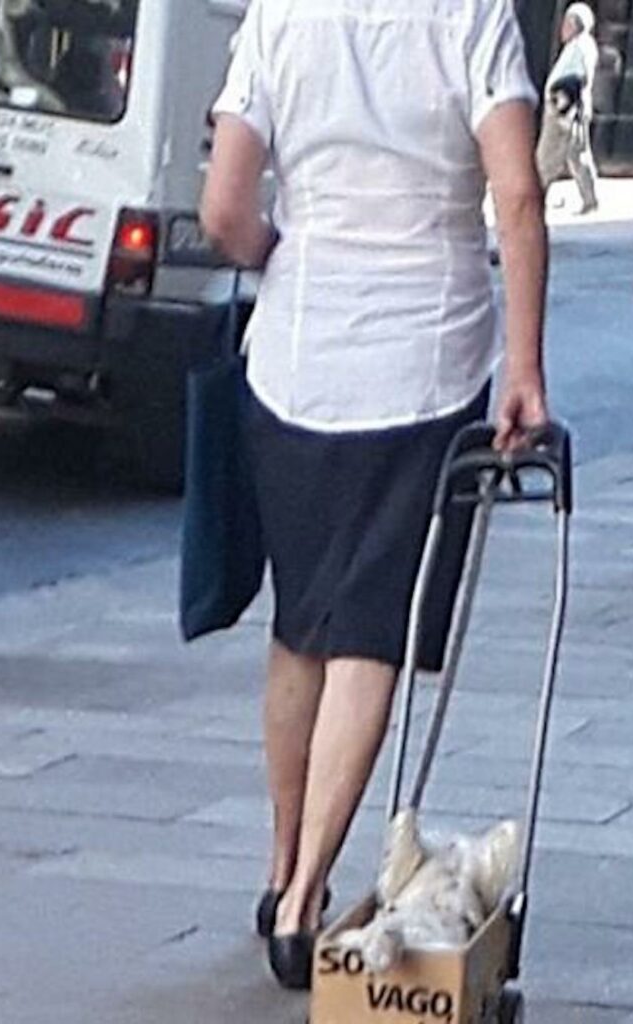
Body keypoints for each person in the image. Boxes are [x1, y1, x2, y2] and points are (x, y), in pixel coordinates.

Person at [201, 0, 549, 992]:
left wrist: (294, 255)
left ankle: (279, 874)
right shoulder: (471, 15)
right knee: (369, 631)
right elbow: (517, 195)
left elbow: (225, 209)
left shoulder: (280, 14)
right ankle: (311, 889)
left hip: (296, 352)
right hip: (426, 360)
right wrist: (525, 363)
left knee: (301, 618)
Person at [536, 2, 600, 215]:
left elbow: (574, 80)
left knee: (548, 156)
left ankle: (536, 198)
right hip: (569, 110)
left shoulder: (581, 46)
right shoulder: (577, 46)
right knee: (577, 156)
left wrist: (560, 107)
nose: (563, 27)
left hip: (565, 111)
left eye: (567, 23)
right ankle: (590, 199)